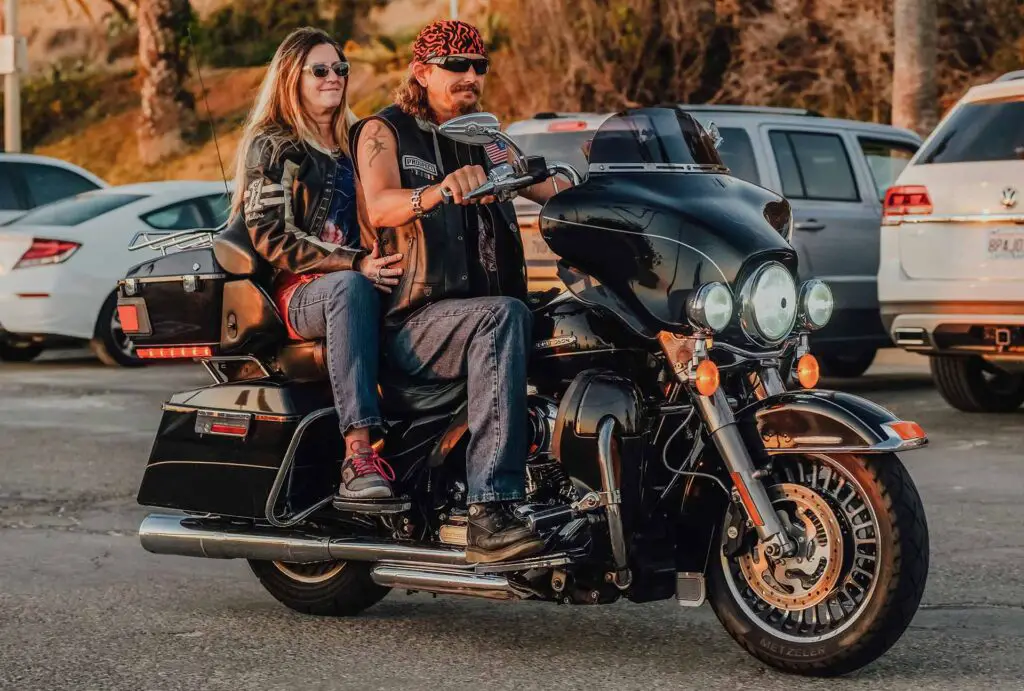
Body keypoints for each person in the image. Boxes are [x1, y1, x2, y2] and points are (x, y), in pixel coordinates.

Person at [351, 20, 574, 563]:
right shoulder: (386, 131)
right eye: (456, 65)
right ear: (422, 70)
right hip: (413, 321)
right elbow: (379, 205)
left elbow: (550, 187)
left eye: (479, 66)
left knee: (577, 320)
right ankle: (490, 509)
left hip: (479, 314)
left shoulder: (487, 138)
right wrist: (435, 192)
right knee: (502, 317)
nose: (470, 75)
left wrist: (592, 191)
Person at [229, 27, 404, 508]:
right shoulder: (276, 144)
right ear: (292, 77)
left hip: (367, 276)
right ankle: (358, 455)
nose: (334, 77)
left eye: (341, 69)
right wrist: (354, 262)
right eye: (320, 70)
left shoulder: (359, 139)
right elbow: (271, 236)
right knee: (348, 287)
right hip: (302, 292)